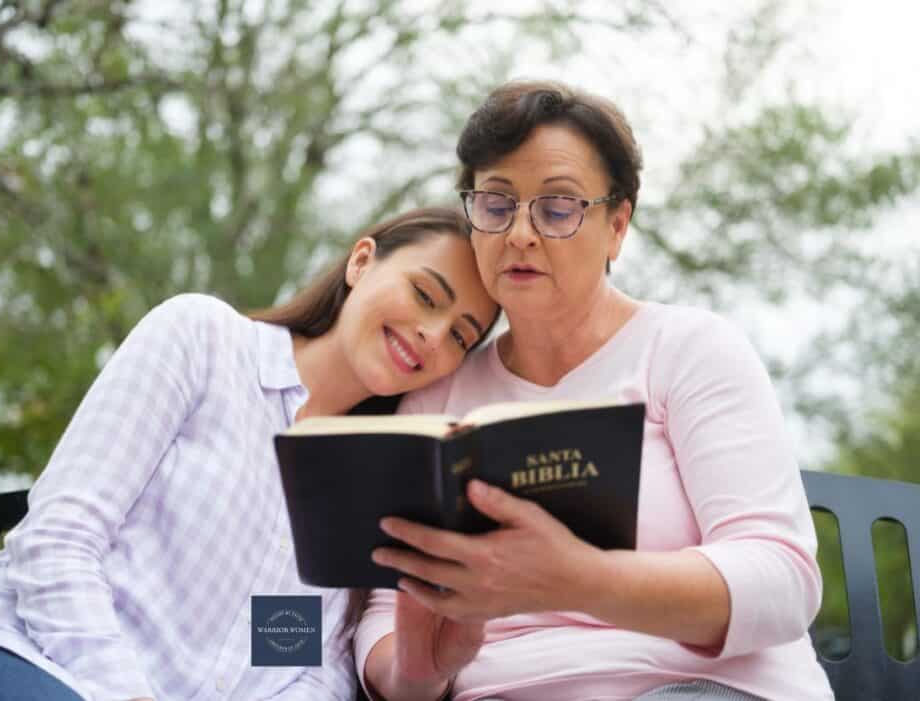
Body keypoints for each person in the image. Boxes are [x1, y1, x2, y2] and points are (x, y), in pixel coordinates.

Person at [0, 207, 500, 701]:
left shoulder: (371, 488)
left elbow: (301, 660)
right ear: (361, 262)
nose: (431, 333)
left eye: (459, 335)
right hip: (11, 655)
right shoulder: (204, 341)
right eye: (425, 295)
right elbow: (57, 539)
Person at [355, 83, 835, 701]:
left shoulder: (689, 350)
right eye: (497, 206)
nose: (520, 234)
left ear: (617, 226)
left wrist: (580, 579)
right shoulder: (438, 399)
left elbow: (783, 579)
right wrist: (417, 673)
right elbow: (383, 609)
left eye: (557, 209)